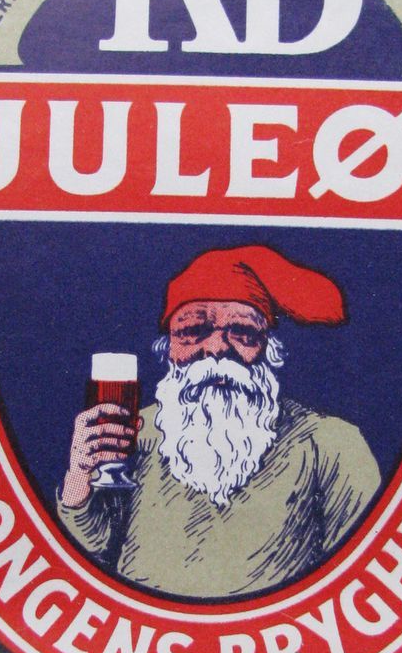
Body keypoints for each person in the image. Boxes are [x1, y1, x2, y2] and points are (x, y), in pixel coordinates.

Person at [57, 245, 381, 598]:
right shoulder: (136, 430)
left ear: (269, 349)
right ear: (169, 349)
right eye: (194, 330)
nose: (216, 348)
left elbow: (363, 574)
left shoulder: (332, 444)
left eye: (241, 331)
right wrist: (78, 479)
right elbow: (89, 551)